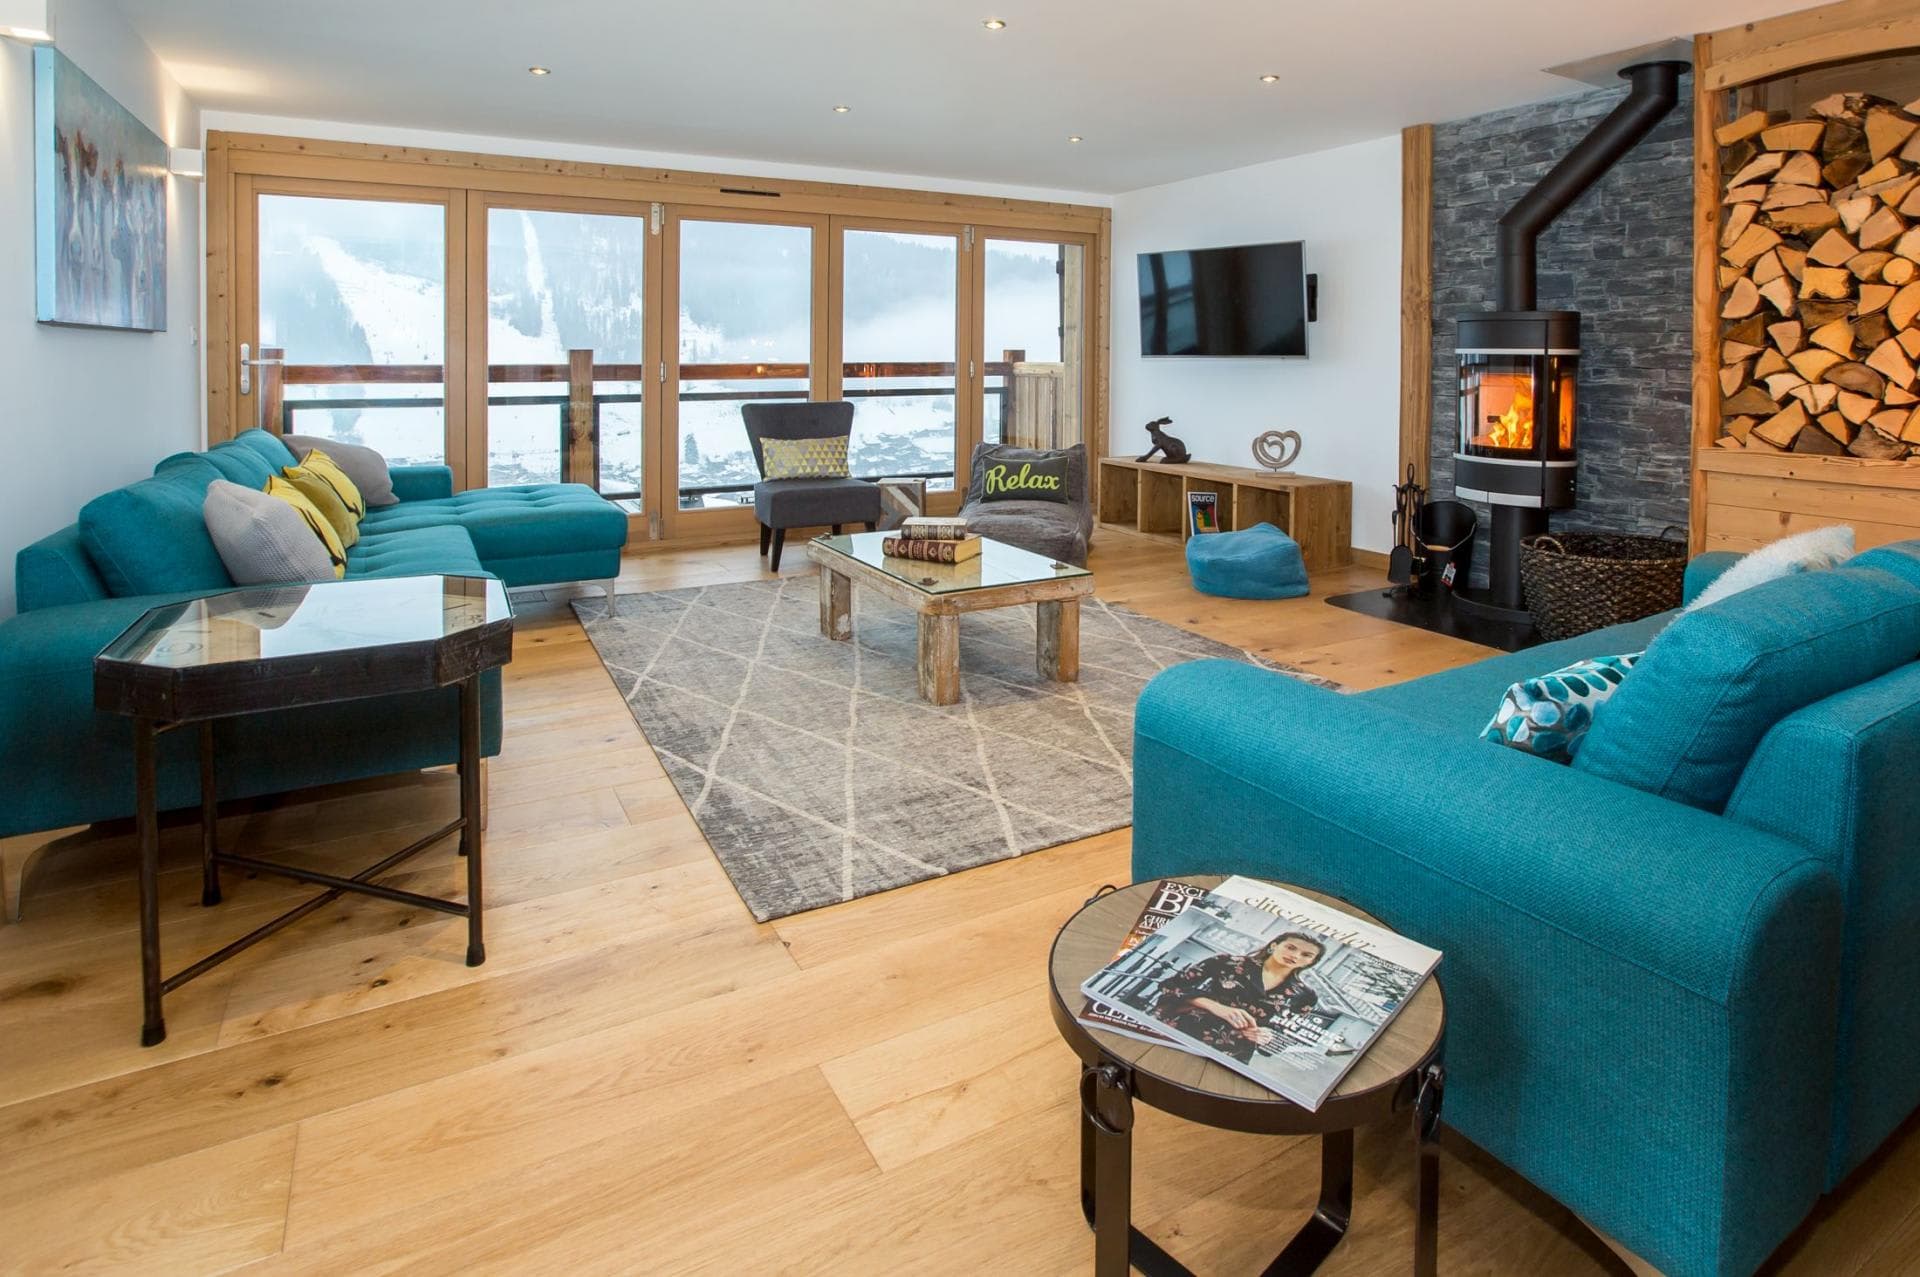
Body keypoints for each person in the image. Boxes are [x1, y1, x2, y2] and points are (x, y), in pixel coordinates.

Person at [1155, 931, 1325, 1062]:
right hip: (1184, 1031)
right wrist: (1215, 1007)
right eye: (1291, 947)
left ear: (1311, 962)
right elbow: (1170, 986)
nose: (1295, 956)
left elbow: (1287, 1037)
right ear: (1274, 946)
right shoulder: (1227, 962)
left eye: (1306, 955)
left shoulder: (1305, 996)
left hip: (1232, 1054)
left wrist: (1267, 1037)